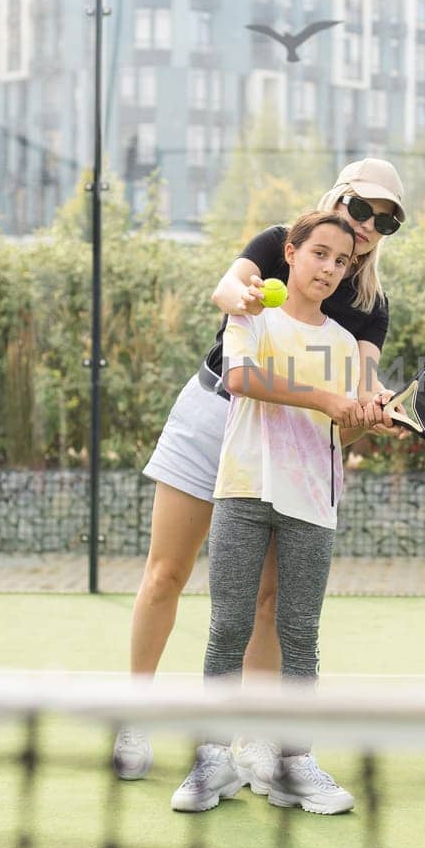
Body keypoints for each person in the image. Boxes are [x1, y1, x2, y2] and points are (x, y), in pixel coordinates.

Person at [113, 159, 408, 782]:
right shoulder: (281, 242)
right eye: (362, 208)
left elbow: (360, 385)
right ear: (339, 197)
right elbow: (226, 291)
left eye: (387, 219)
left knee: (269, 602)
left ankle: (249, 735)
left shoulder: (369, 305)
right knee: (166, 573)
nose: (369, 225)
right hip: (213, 415)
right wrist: (243, 296)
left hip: (291, 449)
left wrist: (371, 408)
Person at [169, 210, 371, 814]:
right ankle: (210, 762)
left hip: (313, 503)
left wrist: (358, 419)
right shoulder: (250, 315)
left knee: (300, 638)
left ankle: (294, 765)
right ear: (290, 252)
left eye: (342, 261)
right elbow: (239, 378)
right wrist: (327, 397)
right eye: (320, 254)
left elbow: (340, 431)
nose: (330, 268)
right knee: (227, 629)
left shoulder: (342, 342)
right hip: (243, 492)